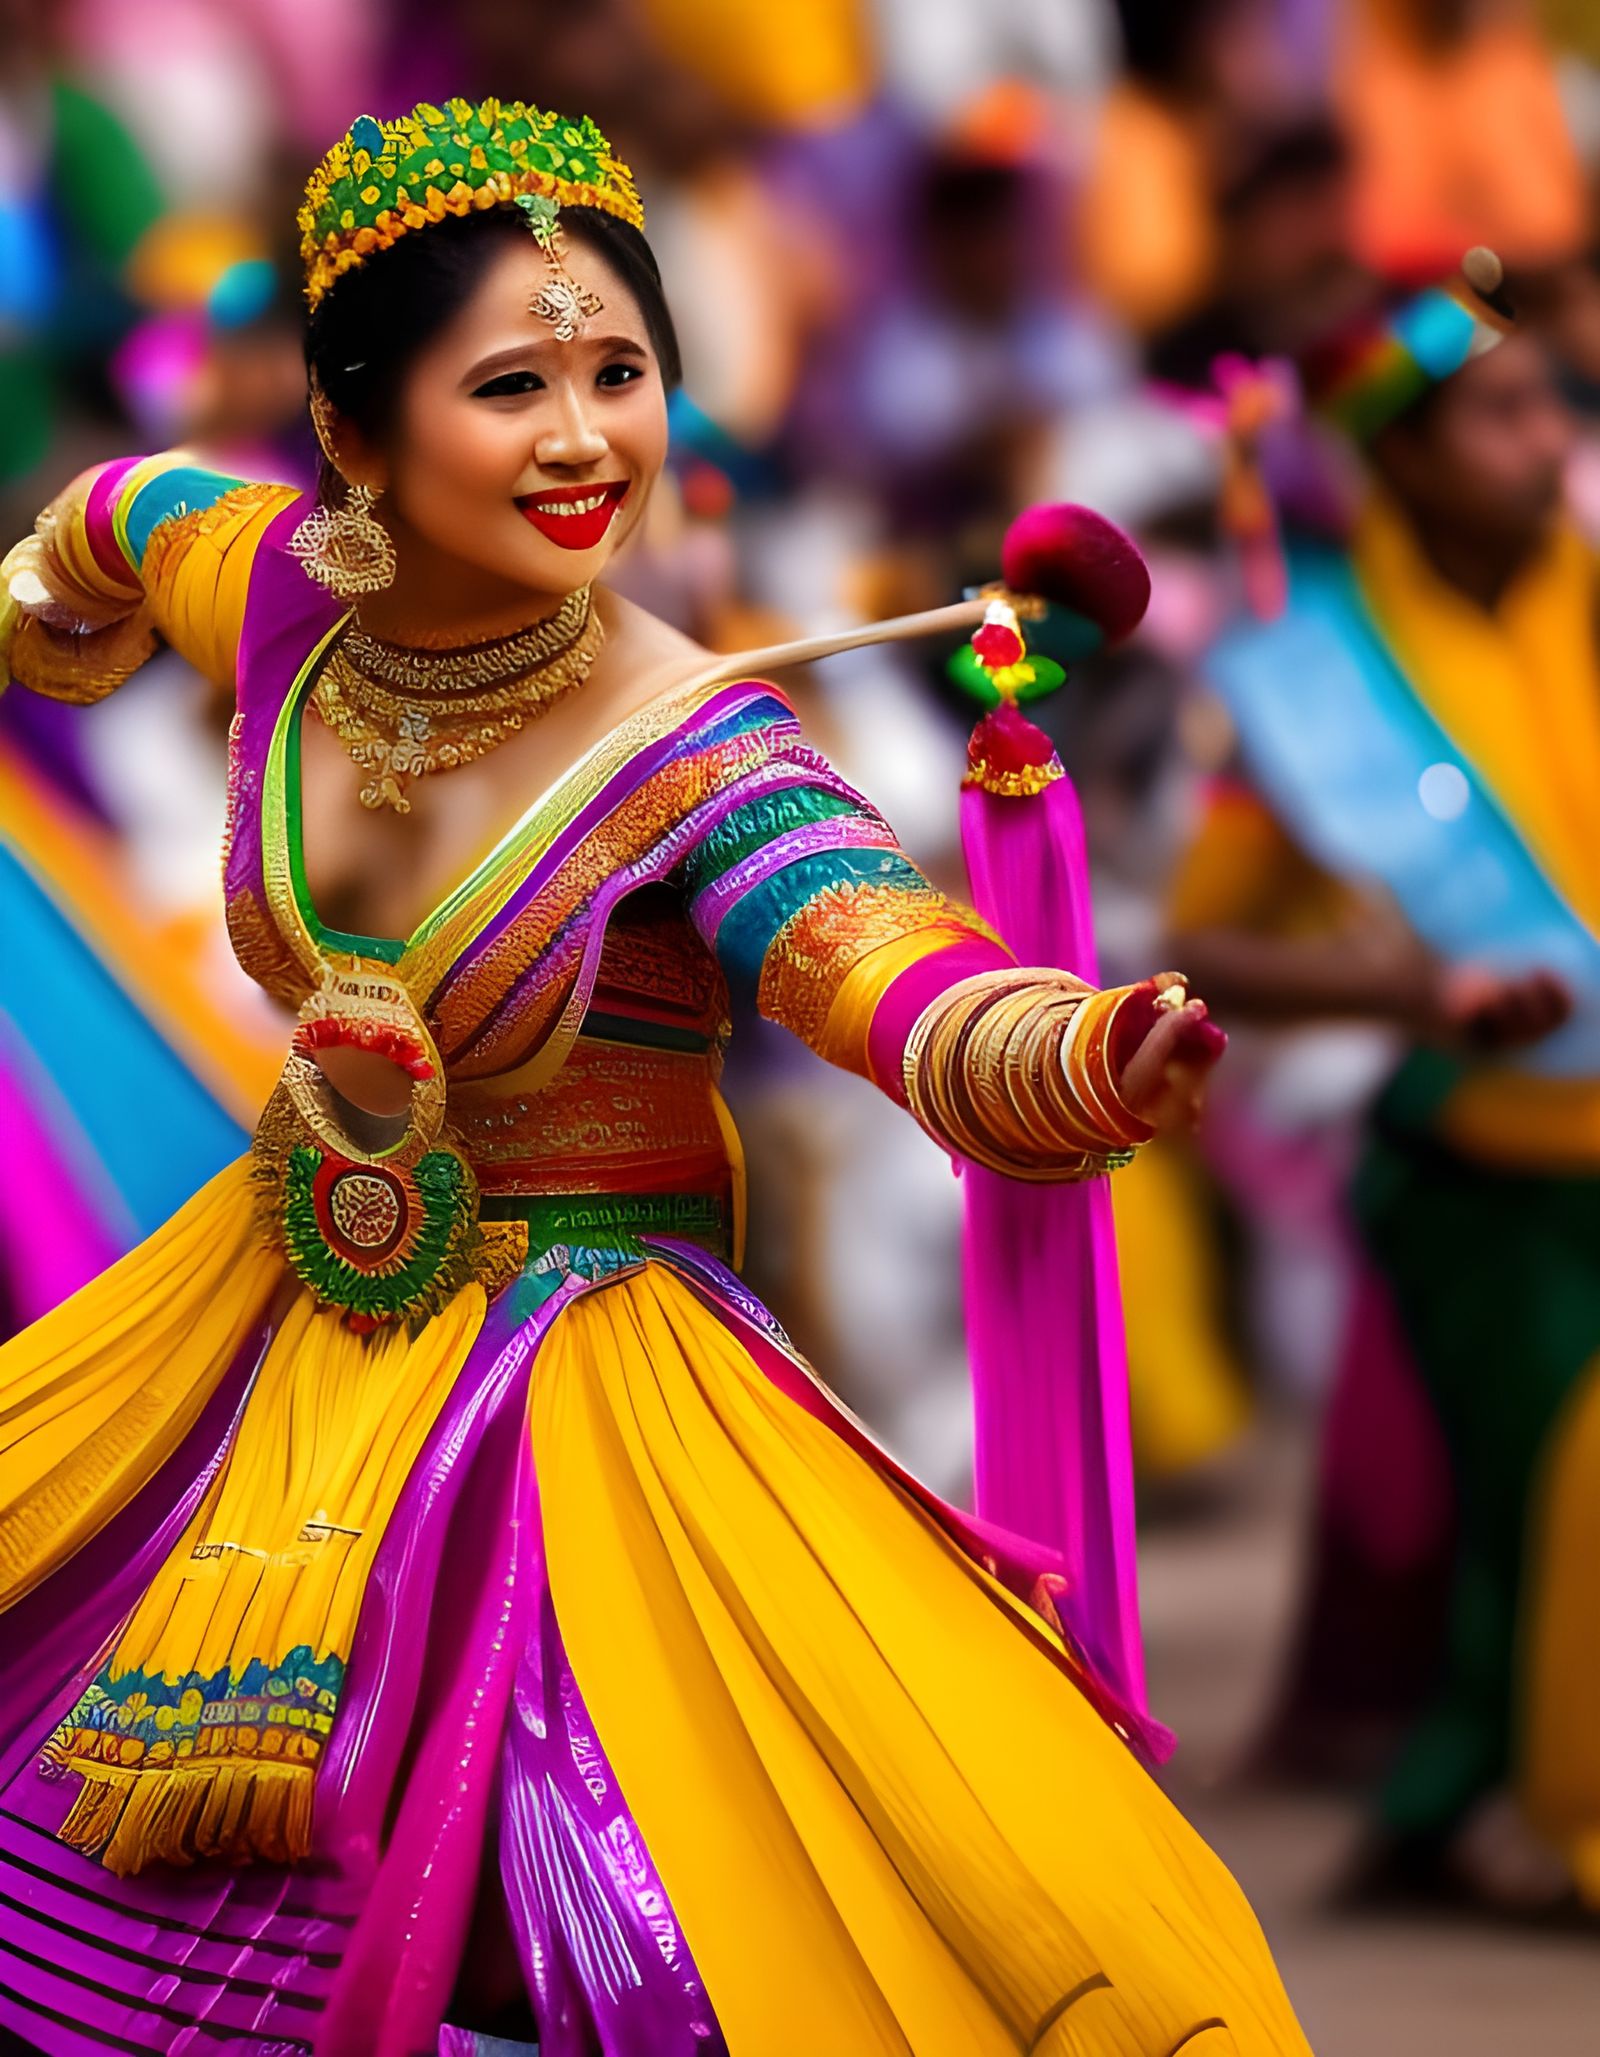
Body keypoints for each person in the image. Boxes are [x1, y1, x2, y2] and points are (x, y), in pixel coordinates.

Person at [0, 98, 1311, 2053]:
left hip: (586, 1379)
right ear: (355, 437)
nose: (579, 437)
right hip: (279, 1321)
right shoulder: (280, 586)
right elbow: (122, 518)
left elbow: (885, 968)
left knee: (663, 1909)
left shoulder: (688, 748)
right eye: (509, 381)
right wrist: (48, 603)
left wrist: (1069, 1046)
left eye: (618, 373)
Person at [1176, 263, 1600, 1911]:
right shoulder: (1316, 683)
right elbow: (1203, 940)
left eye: (1550, 400)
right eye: (1498, 412)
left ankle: (1486, 1798)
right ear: (1397, 458)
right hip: (1491, 1167)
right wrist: (1415, 988)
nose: (1544, 435)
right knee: (1543, 1502)